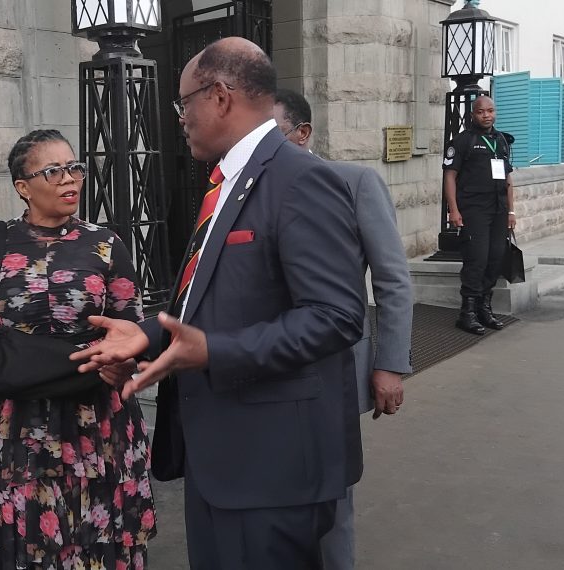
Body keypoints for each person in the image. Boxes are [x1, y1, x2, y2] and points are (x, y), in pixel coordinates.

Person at [72, 38, 366, 569]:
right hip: (221, 461)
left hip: (272, 469)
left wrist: (213, 351)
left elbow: (337, 316)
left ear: (221, 96)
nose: (180, 118)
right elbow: (205, 301)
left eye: (184, 103)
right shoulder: (224, 184)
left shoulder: (300, 180)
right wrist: (148, 334)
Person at [0, 129, 157, 570]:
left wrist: (123, 360)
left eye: (74, 168)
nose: (69, 179)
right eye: (52, 171)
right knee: (29, 534)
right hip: (19, 422)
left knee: (99, 531)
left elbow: (131, 323)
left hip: (96, 416)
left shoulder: (105, 243)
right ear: (23, 187)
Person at [275, 89, 414, 569]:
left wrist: (391, 364)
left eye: (274, 134)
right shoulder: (246, 189)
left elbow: (393, 278)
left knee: (332, 497)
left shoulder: (353, 182)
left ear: (303, 133)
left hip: (335, 368)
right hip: (271, 369)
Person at [443, 95, 514, 335]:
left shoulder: (502, 140)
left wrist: (511, 211)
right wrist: (453, 209)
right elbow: (450, 176)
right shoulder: (463, 141)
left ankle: (484, 308)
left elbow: (508, 179)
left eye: (491, 111)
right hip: (474, 210)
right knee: (477, 260)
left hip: (499, 210)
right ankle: (468, 313)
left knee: (495, 259)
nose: (487, 115)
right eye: (481, 112)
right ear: (473, 115)